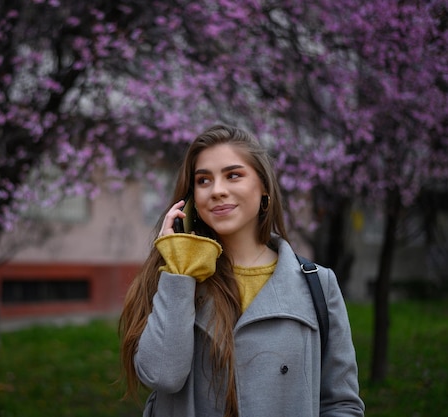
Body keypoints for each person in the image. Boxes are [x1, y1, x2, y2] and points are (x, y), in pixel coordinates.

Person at [119, 124, 365, 417]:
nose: (217, 191)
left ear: (263, 187)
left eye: (233, 175)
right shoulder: (176, 277)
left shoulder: (318, 284)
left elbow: (341, 403)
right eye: (203, 180)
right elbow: (162, 376)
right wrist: (180, 264)